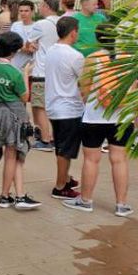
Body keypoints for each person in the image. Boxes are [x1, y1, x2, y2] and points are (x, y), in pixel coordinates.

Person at [63, 25, 134, 216]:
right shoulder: (128, 59)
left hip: (95, 116)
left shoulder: (93, 59)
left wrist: (89, 100)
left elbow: (84, 87)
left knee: (91, 160)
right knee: (119, 160)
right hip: (122, 116)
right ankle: (122, 204)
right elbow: (133, 87)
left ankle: (86, 200)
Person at [0, 32, 41, 210]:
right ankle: (5, 195)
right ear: (15, 51)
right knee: (13, 154)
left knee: (13, 155)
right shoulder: (14, 72)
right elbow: (25, 97)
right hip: (12, 116)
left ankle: (19, 194)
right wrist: (25, 73)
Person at [45, 16, 85, 201]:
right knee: (65, 150)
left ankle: (65, 179)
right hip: (69, 107)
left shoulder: (51, 50)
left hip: (53, 105)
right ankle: (60, 186)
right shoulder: (75, 56)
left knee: (62, 147)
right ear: (73, 32)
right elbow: (85, 81)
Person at [28, 0, 60, 151]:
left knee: (39, 106)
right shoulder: (62, 22)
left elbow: (28, 44)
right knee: (52, 106)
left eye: (40, 5)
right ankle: (53, 136)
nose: (39, 8)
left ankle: (45, 139)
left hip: (41, 70)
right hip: (57, 70)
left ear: (47, 6)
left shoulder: (40, 24)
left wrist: (33, 45)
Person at [8, 0, 35, 72]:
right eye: (21, 11)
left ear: (32, 12)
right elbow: (11, 43)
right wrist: (26, 48)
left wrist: (20, 47)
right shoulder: (15, 25)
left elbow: (36, 47)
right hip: (16, 64)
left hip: (31, 66)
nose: (23, 13)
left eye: (26, 11)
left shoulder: (37, 27)